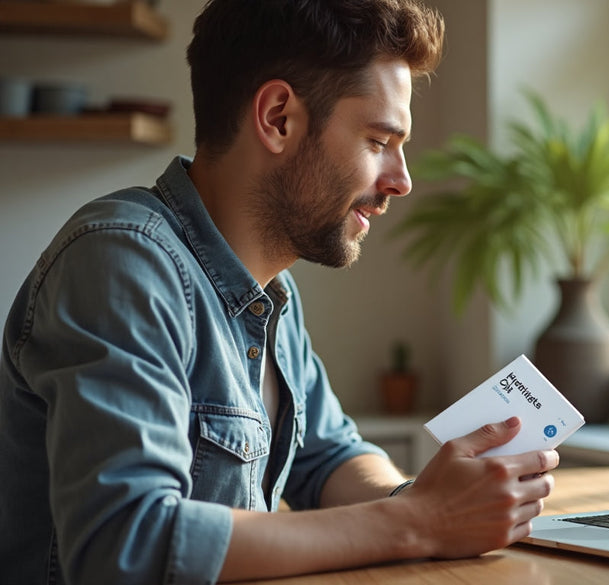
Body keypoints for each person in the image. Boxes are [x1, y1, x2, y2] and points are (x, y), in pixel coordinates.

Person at [0, 1, 559, 584]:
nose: (401, 180)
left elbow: (330, 457)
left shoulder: (268, 292)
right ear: (277, 118)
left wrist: (424, 498)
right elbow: (127, 544)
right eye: (377, 140)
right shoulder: (122, 261)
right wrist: (419, 521)